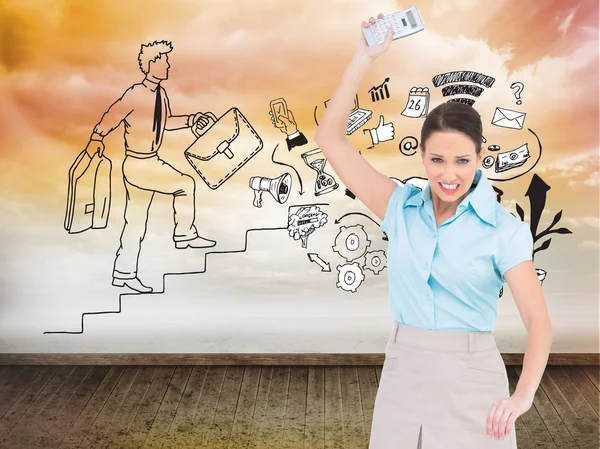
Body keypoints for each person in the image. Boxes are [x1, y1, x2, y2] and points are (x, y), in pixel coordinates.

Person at [314, 13, 553, 449]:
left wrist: (522, 396)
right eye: (438, 160)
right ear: (422, 156)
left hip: (473, 379)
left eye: (462, 160)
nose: (449, 174)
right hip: (403, 371)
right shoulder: (399, 207)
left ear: (480, 156)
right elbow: (330, 139)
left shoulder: (504, 231)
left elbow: (538, 322)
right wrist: (363, 56)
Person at [85, 40, 217, 294]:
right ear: (150, 64)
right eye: (163, 60)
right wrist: (97, 137)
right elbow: (113, 115)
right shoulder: (135, 93)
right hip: (138, 163)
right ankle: (184, 234)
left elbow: (166, 122)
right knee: (185, 184)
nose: (167, 65)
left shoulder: (160, 94)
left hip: (149, 161)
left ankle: (123, 273)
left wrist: (192, 120)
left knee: (134, 222)